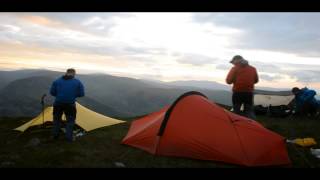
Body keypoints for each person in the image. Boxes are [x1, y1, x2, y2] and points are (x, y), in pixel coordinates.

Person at [50, 68, 85, 142]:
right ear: (74, 74)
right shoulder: (77, 82)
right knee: (70, 121)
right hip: (70, 104)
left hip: (58, 103)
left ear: (66, 73)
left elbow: (52, 92)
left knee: (56, 120)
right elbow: (82, 94)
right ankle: (69, 138)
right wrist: (73, 95)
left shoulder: (57, 81)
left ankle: (55, 136)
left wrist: (60, 95)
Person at [226, 55, 259, 120]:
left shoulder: (234, 68)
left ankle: (236, 125)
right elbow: (256, 80)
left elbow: (228, 81)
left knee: (236, 111)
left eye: (233, 62)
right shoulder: (253, 69)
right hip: (249, 93)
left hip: (238, 92)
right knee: (249, 111)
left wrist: (235, 80)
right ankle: (252, 126)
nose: (233, 63)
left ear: (236, 61)